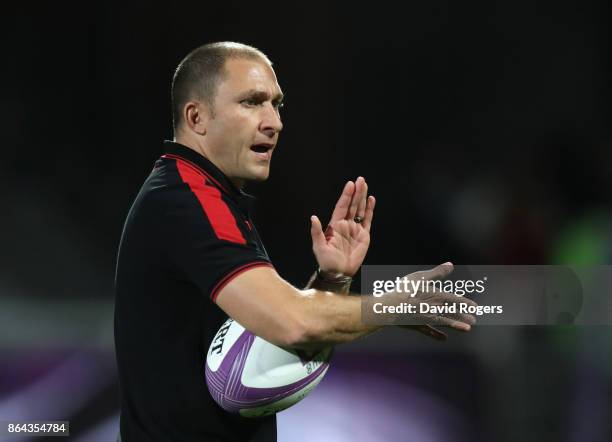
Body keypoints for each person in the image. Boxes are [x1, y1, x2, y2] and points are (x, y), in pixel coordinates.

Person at [114, 41, 476, 442]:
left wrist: (331, 280)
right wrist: (392, 305)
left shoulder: (199, 196)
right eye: (252, 102)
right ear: (197, 117)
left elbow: (259, 349)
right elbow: (294, 324)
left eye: (277, 105)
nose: (274, 122)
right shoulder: (187, 200)